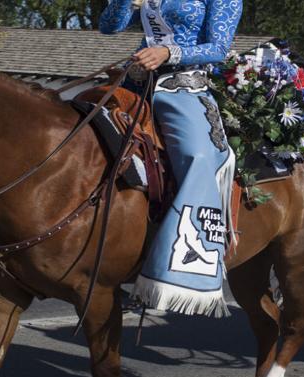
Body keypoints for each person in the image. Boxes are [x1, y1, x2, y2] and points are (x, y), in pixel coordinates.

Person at [99, 0, 241, 316]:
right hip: (133, 83)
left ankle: (183, 266)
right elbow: (109, 26)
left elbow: (218, 48)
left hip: (183, 88)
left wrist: (168, 53)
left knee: (197, 156)